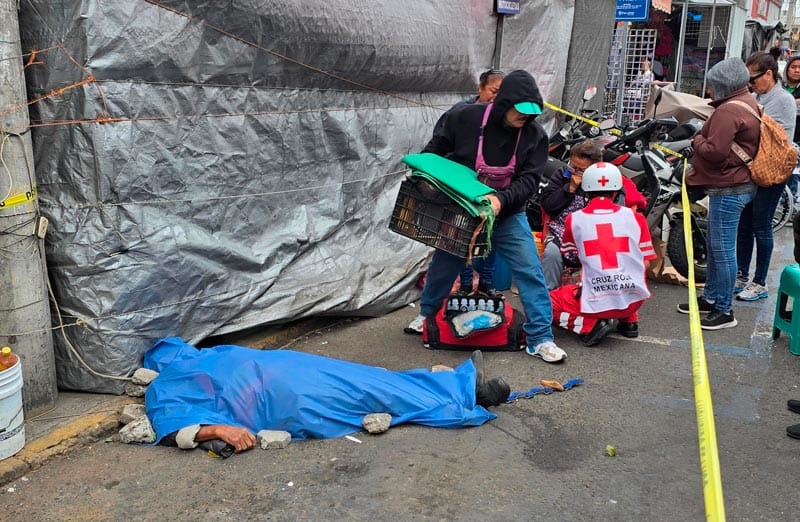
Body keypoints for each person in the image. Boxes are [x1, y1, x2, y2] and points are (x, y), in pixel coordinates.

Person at [404, 69, 567, 363]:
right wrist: (427, 176)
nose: (525, 119)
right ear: (505, 103)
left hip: (507, 214)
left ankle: (541, 337)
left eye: (532, 114)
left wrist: (500, 201)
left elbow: (529, 181)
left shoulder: (534, 136)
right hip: (463, 212)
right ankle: (427, 316)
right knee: (444, 264)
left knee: (530, 270)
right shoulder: (464, 118)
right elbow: (436, 149)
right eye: (520, 112)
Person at [145, 338, 510, 453]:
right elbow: (173, 429)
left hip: (293, 374)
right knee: (368, 393)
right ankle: (465, 394)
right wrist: (218, 431)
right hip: (286, 395)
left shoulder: (206, 356)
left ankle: (460, 386)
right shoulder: (166, 388)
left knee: (369, 384)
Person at [678, 58, 759, 330]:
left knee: (722, 251)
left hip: (729, 187)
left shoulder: (728, 111)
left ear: (723, 85)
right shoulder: (749, 101)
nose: (710, 91)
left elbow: (714, 152)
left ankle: (724, 309)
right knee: (716, 247)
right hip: (736, 185)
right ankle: (711, 298)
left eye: (712, 86)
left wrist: (696, 139)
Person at [549, 163, 656, 346]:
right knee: (628, 269)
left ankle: (590, 324)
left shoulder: (574, 219)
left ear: (585, 191)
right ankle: (629, 322)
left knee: (547, 303)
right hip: (634, 300)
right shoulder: (636, 218)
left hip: (597, 302)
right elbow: (646, 264)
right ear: (617, 192)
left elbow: (569, 255)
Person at [539, 140, 647, 290]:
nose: (575, 173)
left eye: (581, 170)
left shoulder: (609, 182)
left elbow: (619, 212)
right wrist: (569, 188)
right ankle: (550, 296)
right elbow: (548, 205)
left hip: (598, 233)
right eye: (573, 167)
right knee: (552, 253)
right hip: (562, 231)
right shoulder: (563, 175)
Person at [734, 52, 797, 302]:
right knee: (744, 225)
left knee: (762, 225)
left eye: (754, 78)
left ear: (769, 74)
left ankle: (759, 282)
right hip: (754, 170)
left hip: (773, 172)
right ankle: (741, 275)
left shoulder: (782, 100)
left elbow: (766, 133)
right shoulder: (757, 97)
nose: (751, 84)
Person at [442, 70, 505, 298]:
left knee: (491, 237)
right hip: (464, 187)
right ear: (480, 88)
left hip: (492, 190)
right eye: (493, 91)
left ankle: (486, 282)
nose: (496, 98)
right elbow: (441, 145)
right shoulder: (460, 113)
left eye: (501, 94)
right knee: (463, 237)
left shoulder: (503, 118)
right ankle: (466, 284)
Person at [782, 54, 800, 201]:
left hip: (798, 134)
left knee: (794, 167)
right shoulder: (779, 87)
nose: (797, 70)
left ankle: (790, 198)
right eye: (793, 67)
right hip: (781, 133)